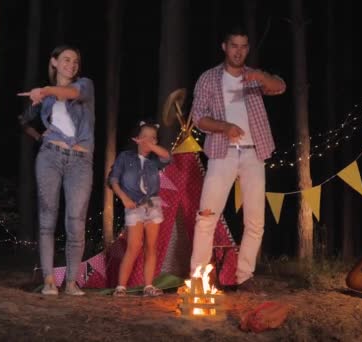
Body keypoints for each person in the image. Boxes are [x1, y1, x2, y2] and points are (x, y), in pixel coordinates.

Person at [189, 26, 286, 291]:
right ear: (224, 47)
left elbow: (280, 86)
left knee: (255, 221)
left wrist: (261, 76)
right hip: (223, 152)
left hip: (254, 152)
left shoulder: (254, 77)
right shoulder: (209, 78)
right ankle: (198, 278)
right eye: (234, 46)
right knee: (207, 216)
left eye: (244, 46)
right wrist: (225, 127)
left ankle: (244, 276)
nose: (239, 51)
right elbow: (198, 117)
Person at [18, 45, 95, 296]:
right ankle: (49, 280)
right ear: (54, 62)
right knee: (47, 219)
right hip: (50, 156)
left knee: (75, 221)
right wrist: (40, 136)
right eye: (65, 59)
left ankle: (71, 282)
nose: (71, 65)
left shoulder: (84, 85)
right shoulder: (45, 97)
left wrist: (46, 90)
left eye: (75, 60)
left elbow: (70, 93)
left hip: (80, 162)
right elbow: (24, 118)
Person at [108, 121, 171, 297]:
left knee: (151, 246)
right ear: (136, 139)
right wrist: (124, 198)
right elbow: (114, 180)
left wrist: (152, 145)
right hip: (133, 204)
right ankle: (121, 287)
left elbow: (167, 157)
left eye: (154, 138)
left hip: (152, 204)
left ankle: (148, 286)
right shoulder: (125, 157)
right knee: (134, 246)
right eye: (145, 136)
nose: (150, 140)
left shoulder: (155, 161)